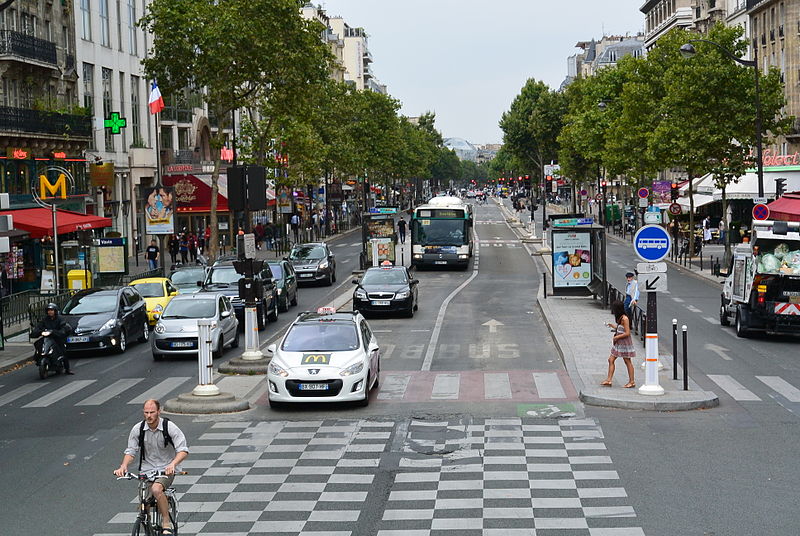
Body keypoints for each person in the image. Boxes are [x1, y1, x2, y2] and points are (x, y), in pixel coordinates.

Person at [114, 400, 189, 536]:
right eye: (146, 412)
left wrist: (173, 464)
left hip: (166, 470)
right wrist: (123, 466)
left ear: (159, 412)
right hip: (147, 470)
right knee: (144, 502)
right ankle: (148, 528)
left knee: (156, 489)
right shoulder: (138, 429)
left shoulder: (169, 427)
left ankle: (166, 522)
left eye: (152, 412)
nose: (149, 416)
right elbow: (131, 451)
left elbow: (183, 450)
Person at [601, 300, 636, 388]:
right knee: (611, 360)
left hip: (624, 343)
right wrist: (612, 326)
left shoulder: (625, 318)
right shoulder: (620, 318)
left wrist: (617, 337)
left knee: (627, 361)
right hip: (619, 343)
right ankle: (609, 380)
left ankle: (632, 381)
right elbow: (621, 328)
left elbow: (627, 332)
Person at [32, 303, 73, 374]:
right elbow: (38, 328)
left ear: (55, 311)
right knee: (38, 344)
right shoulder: (45, 320)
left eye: (51, 310)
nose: (50, 312)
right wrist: (38, 332)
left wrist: (55, 332)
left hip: (57, 338)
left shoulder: (60, 319)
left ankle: (67, 369)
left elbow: (64, 328)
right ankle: (38, 358)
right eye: (48, 310)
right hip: (47, 338)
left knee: (63, 351)